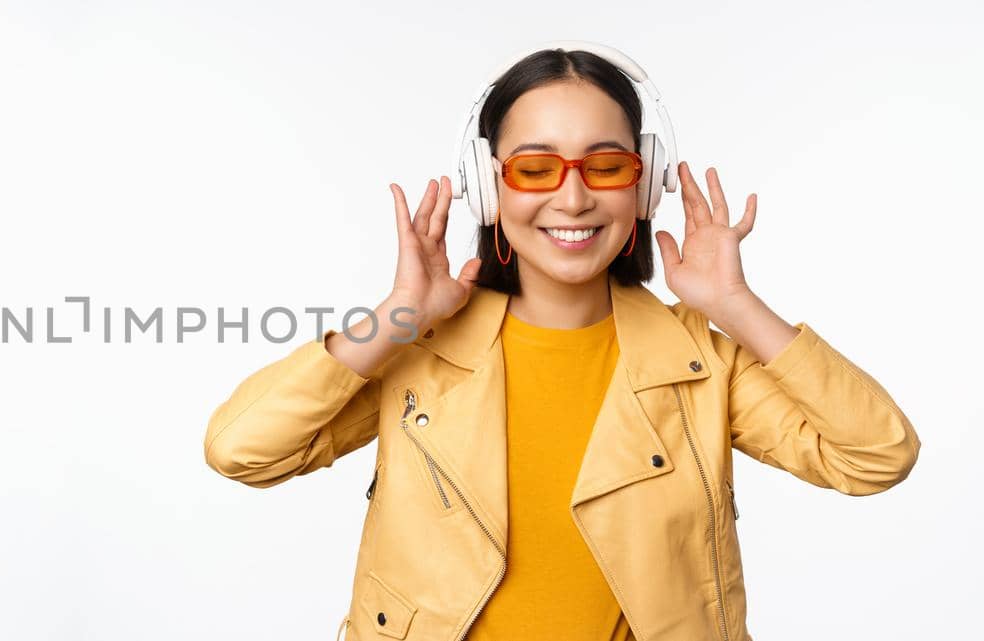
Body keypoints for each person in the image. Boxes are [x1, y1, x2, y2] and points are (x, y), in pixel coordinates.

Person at [202, 42, 920, 641]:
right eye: (535, 168)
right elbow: (243, 448)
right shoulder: (417, 354)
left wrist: (736, 305)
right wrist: (397, 316)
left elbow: (877, 454)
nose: (572, 198)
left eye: (605, 166)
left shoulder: (701, 362)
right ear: (489, 189)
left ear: (643, 185)